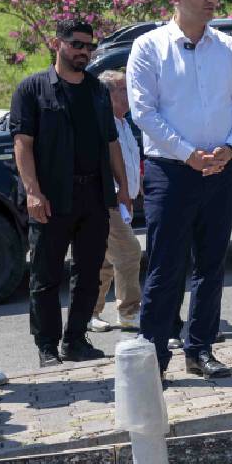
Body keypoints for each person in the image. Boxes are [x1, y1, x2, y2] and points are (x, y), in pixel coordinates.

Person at [127, 0, 232, 379]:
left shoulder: (231, 48)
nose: (211, 0)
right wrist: (188, 152)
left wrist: (229, 147)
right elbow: (143, 112)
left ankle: (199, 350)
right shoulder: (148, 48)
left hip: (222, 167)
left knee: (212, 264)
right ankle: (153, 360)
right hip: (171, 171)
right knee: (166, 266)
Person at [10, 19, 132, 367]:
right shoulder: (32, 89)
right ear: (58, 44)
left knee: (90, 271)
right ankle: (47, 346)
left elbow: (111, 140)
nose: (84, 51)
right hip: (51, 197)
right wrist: (33, 192)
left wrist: (122, 186)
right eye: (77, 44)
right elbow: (23, 145)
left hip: (94, 194)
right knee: (46, 275)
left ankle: (75, 340)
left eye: (89, 46)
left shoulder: (96, 89)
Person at [88, 70, 143, 333]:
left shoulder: (124, 123)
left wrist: (133, 193)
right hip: (108, 201)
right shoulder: (101, 123)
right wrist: (119, 194)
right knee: (130, 252)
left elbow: (131, 163)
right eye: (122, 89)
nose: (128, 93)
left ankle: (90, 312)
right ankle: (129, 313)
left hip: (122, 202)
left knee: (107, 260)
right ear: (107, 95)